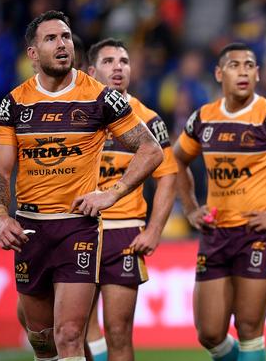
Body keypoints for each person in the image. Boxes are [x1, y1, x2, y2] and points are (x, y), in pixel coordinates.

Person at [0, 10, 163, 360]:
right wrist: (1, 215)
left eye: (66, 37)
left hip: (77, 228)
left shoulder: (100, 97)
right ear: (33, 54)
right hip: (30, 230)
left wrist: (112, 193)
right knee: (43, 341)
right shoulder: (14, 103)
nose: (62, 44)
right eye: (51, 38)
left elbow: (150, 149)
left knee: (69, 335)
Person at [174, 42, 266, 361]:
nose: (243, 71)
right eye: (234, 65)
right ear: (219, 73)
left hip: (256, 235)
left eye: (249, 65)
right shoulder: (203, 119)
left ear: (257, 74)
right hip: (215, 233)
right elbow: (176, 160)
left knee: (248, 328)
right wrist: (188, 207)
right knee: (210, 334)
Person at [83, 38, 178, 361]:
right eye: (109, 61)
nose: (118, 67)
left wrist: (153, 230)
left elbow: (168, 176)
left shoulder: (148, 119)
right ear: (92, 71)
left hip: (123, 230)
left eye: (123, 61)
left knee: (119, 331)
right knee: (70, 327)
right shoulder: (76, 113)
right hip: (76, 228)